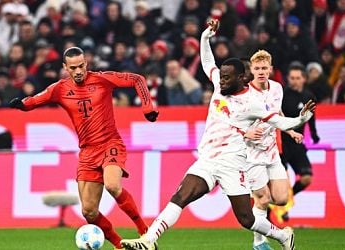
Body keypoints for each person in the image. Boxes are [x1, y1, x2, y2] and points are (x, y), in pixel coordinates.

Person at [121, 20, 315, 250]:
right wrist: (205, 37)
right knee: (180, 197)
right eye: (221, 76)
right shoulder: (218, 85)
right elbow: (207, 62)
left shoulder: (252, 103)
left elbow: (279, 121)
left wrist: (301, 119)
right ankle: (149, 241)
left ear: (243, 78)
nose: (221, 80)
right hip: (208, 160)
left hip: (233, 166)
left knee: (247, 219)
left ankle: (283, 236)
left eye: (226, 77)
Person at [9, 47, 159, 250]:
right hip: (87, 152)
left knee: (113, 185)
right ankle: (119, 246)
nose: (78, 71)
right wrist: (23, 105)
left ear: (86, 64)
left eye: (81, 66)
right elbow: (36, 100)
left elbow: (137, 79)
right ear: (65, 68)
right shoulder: (60, 89)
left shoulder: (102, 79)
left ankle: (145, 232)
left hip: (110, 144)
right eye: (73, 67)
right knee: (88, 212)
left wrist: (147, 106)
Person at [243, 50, 304, 250]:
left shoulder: (277, 88)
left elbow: (277, 112)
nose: (261, 72)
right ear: (251, 70)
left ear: (271, 69)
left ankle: (262, 237)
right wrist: (246, 134)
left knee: (281, 198)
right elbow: (232, 120)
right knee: (263, 198)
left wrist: (291, 131)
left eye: (264, 68)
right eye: (257, 68)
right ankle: (259, 242)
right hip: (252, 155)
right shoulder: (244, 93)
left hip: (272, 153)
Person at [280, 64, 320, 221]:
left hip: (297, 143)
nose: (295, 81)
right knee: (280, 181)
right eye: (292, 78)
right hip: (282, 143)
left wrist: (314, 133)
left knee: (307, 178)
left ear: (304, 79)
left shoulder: (309, 96)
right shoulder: (282, 95)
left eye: (298, 78)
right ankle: (278, 210)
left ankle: (287, 199)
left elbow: (311, 117)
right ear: (288, 79)